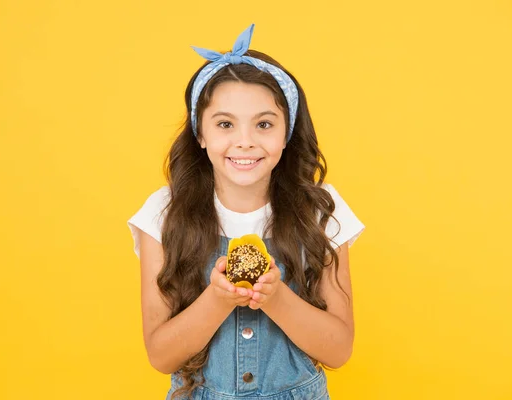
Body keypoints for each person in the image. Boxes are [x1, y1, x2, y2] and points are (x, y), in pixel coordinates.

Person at [127, 23, 365, 400]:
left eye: (264, 124)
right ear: (200, 134)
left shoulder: (319, 211)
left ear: (286, 133)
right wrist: (219, 299)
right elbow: (160, 354)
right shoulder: (163, 213)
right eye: (224, 124)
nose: (244, 142)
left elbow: (339, 349)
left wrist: (275, 297)